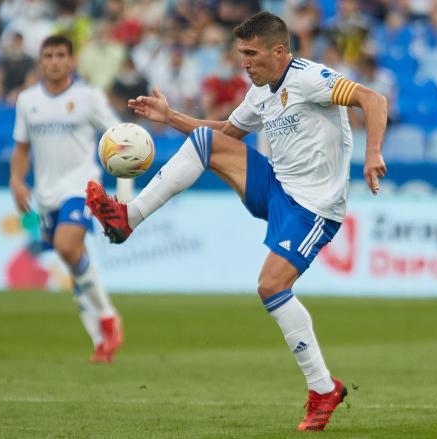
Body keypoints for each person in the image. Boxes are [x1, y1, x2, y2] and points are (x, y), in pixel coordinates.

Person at [86, 11, 387, 431]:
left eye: (251, 53)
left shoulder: (310, 77)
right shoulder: (261, 92)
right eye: (240, 53)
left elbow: (373, 100)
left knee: (270, 287)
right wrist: (170, 117)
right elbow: (225, 133)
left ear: (280, 51)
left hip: (313, 207)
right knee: (207, 142)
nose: (244, 62)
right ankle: (127, 218)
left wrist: (373, 152)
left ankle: (323, 389)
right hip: (275, 187)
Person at [10, 35, 124, 363]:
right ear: (41, 61)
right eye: (48, 55)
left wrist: (119, 186)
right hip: (45, 194)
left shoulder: (88, 98)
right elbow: (21, 149)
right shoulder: (27, 101)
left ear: (71, 60)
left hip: (81, 186)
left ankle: (105, 318)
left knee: (67, 246)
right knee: (74, 261)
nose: (55, 61)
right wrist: (16, 181)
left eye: (61, 55)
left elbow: (118, 137)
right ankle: (102, 335)